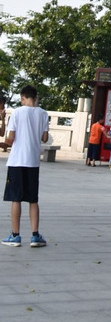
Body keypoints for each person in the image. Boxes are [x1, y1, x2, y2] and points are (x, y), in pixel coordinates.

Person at [2, 84, 50, 247]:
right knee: (32, 200)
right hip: (33, 162)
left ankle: (15, 236)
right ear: (35, 97)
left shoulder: (16, 113)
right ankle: (35, 236)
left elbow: (10, 138)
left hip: (16, 161)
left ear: (23, 97)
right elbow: (44, 138)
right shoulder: (43, 113)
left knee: (16, 198)